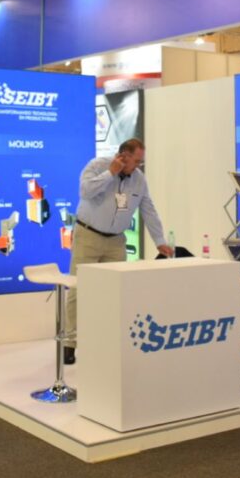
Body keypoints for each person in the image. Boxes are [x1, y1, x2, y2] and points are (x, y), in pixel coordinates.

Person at [64, 138, 172, 364]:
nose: (139, 166)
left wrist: (159, 240)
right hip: (88, 236)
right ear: (123, 156)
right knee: (78, 289)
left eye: (141, 162)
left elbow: (148, 209)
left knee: (114, 292)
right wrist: (110, 173)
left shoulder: (139, 180)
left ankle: (106, 342)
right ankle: (70, 343)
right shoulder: (97, 166)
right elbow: (85, 192)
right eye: (136, 161)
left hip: (116, 242)